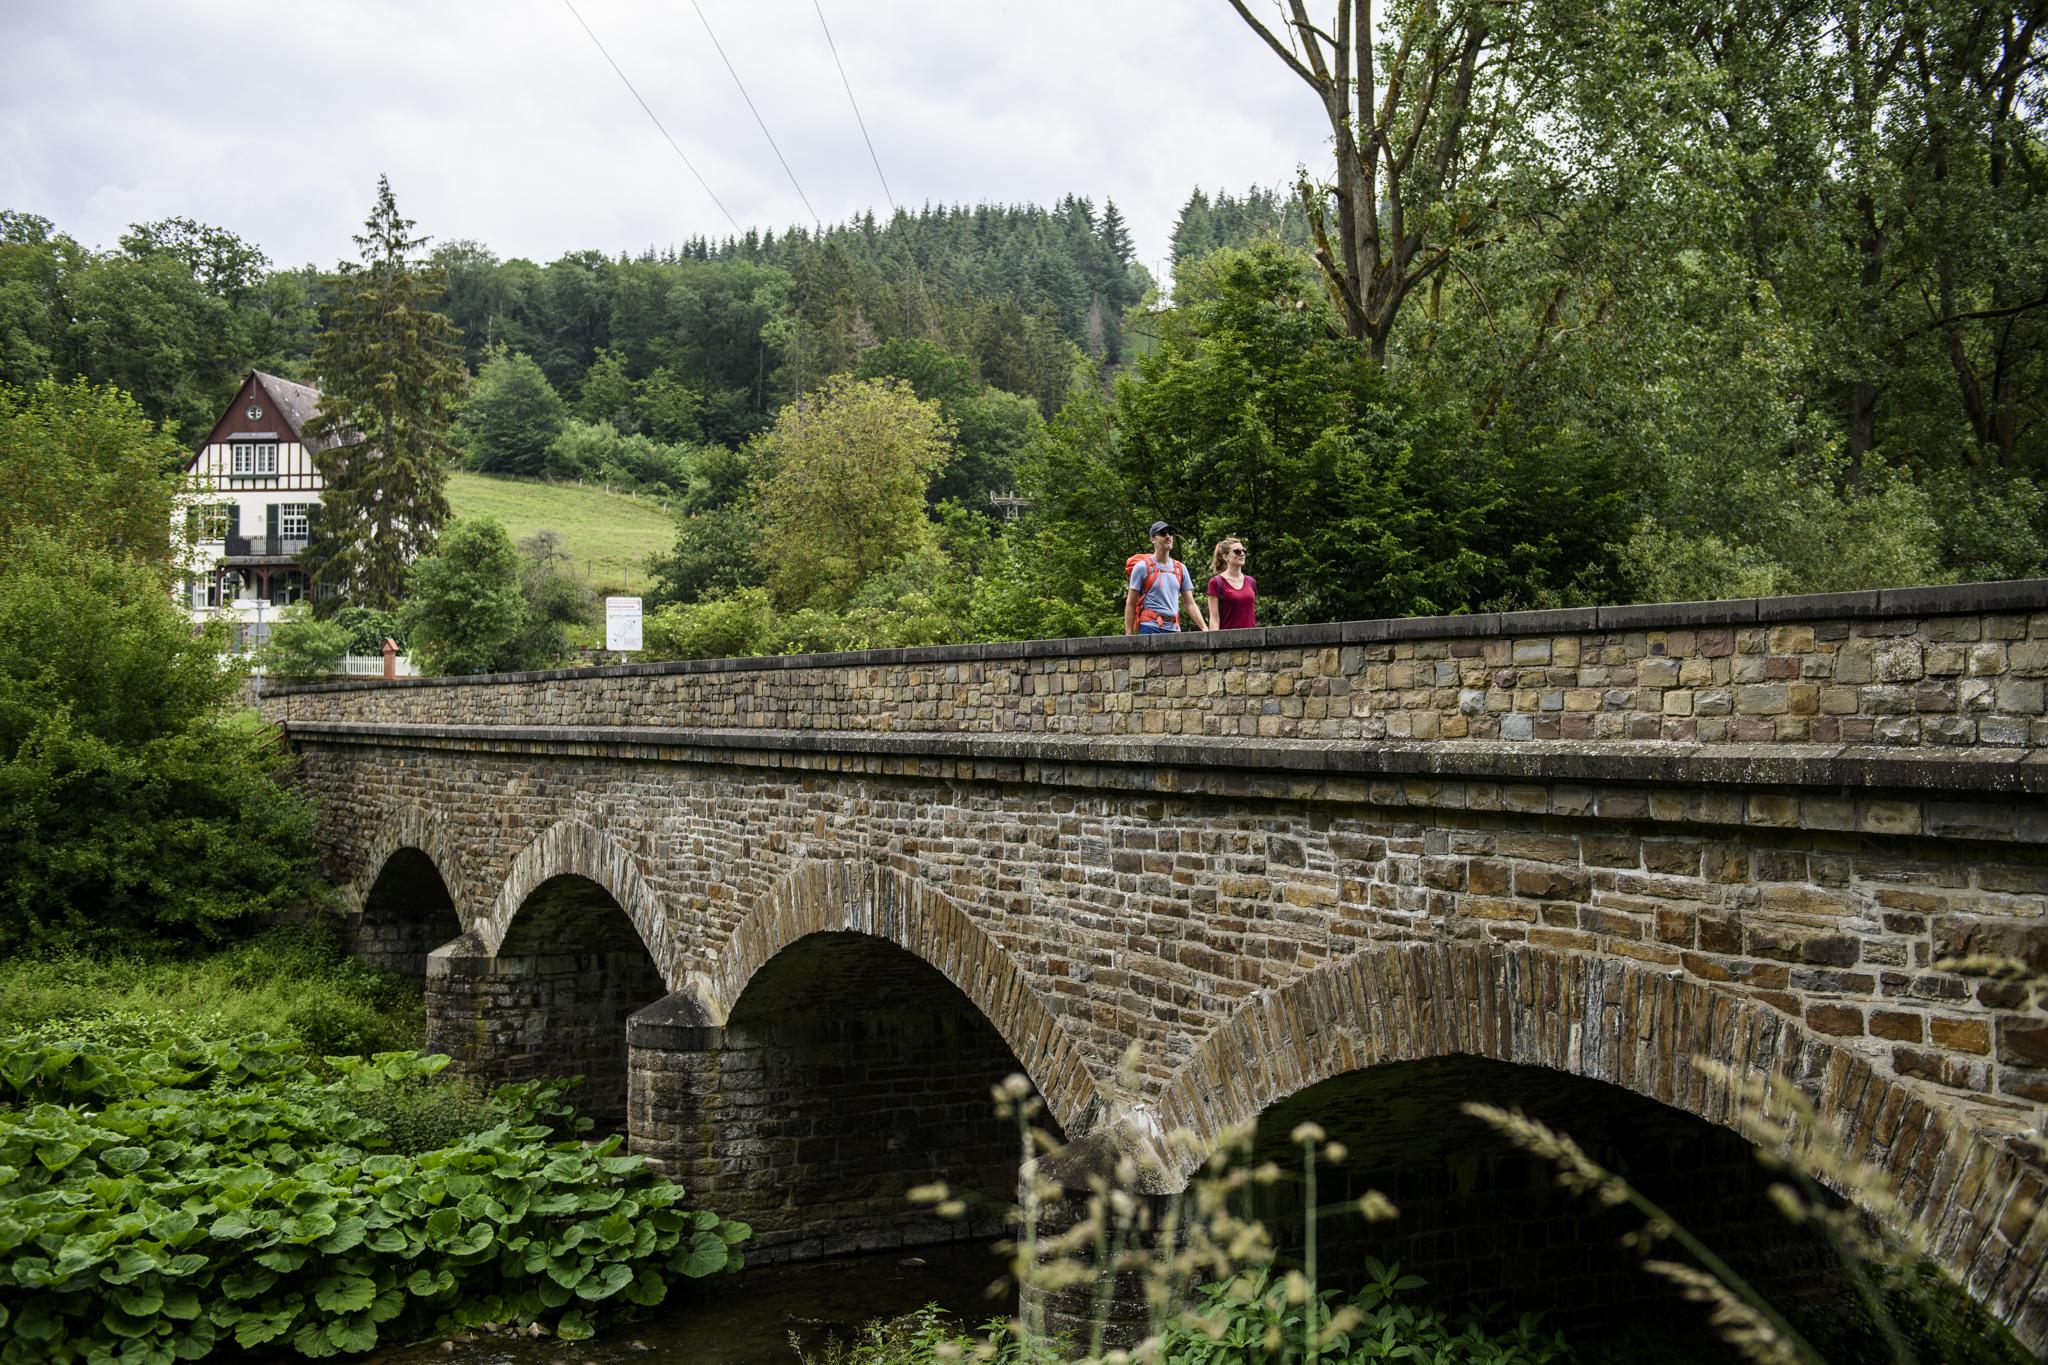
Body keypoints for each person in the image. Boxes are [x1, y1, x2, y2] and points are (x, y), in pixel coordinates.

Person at [1125, 521, 1209, 635]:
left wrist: (1204, 628)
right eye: (1163, 533)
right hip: (1149, 627)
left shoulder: (1180, 568)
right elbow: (1131, 603)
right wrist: (1128, 634)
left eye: (1170, 533)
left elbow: (1190, 603)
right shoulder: (1142, 567)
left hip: (1174, 627)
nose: (1168, 536)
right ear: (1153, 539)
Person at [1205, 536, 1257, 630]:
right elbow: (1214, 619)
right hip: (1228, 641)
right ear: (1225, 557)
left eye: (1244, 551)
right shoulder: (1216, 583)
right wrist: (1214, 643)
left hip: (1253, 639)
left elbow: (1252, 615)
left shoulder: (1251, 582)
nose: (1242, 554)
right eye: (1237, 551)